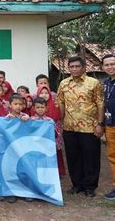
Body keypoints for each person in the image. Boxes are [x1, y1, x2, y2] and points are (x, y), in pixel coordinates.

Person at [57, 56, 104, 197]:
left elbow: (100, 103)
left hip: (90, 127)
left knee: (91, 157)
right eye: (72, 67)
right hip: (69, 128)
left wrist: (100, 124)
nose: (74, 69)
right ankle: (77, 185)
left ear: (83, 67)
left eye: (77, 66)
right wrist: (61, 122)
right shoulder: (64, 84)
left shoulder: (93, 83)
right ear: (68, 68)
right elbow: (61, 103)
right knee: (73, 157)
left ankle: (90, 187)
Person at [102, 54, 115, 200]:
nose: (110, 67)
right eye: (107, 65)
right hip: (110, 125)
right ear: (103, 67)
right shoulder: (106, 82)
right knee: (112, 157)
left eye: (113, 64)